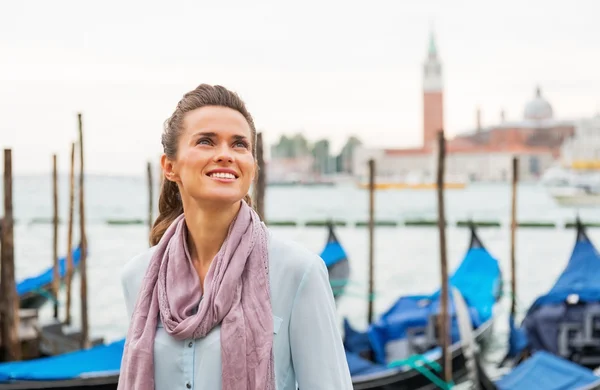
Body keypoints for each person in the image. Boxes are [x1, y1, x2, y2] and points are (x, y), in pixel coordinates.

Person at [118, 83, 353, 390]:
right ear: (169, 166)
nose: (225, 155)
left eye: (239, 145)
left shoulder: (299, 272)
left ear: (253, 168)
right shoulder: (138, 277)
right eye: (206, 141)